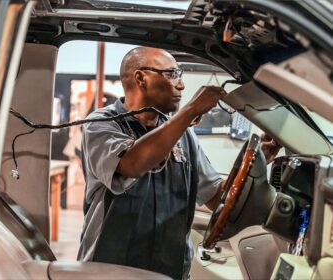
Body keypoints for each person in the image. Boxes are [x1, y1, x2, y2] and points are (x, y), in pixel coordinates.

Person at [77, 47, 280, 279]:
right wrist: (191, 110)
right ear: (141, 78)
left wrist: (259, 159)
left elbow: (216, 197)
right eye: (172, 74)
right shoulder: (101, 124)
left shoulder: (183, 135)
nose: (181, 85)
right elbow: (132, 163)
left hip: (170, 272)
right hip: (110, 270)